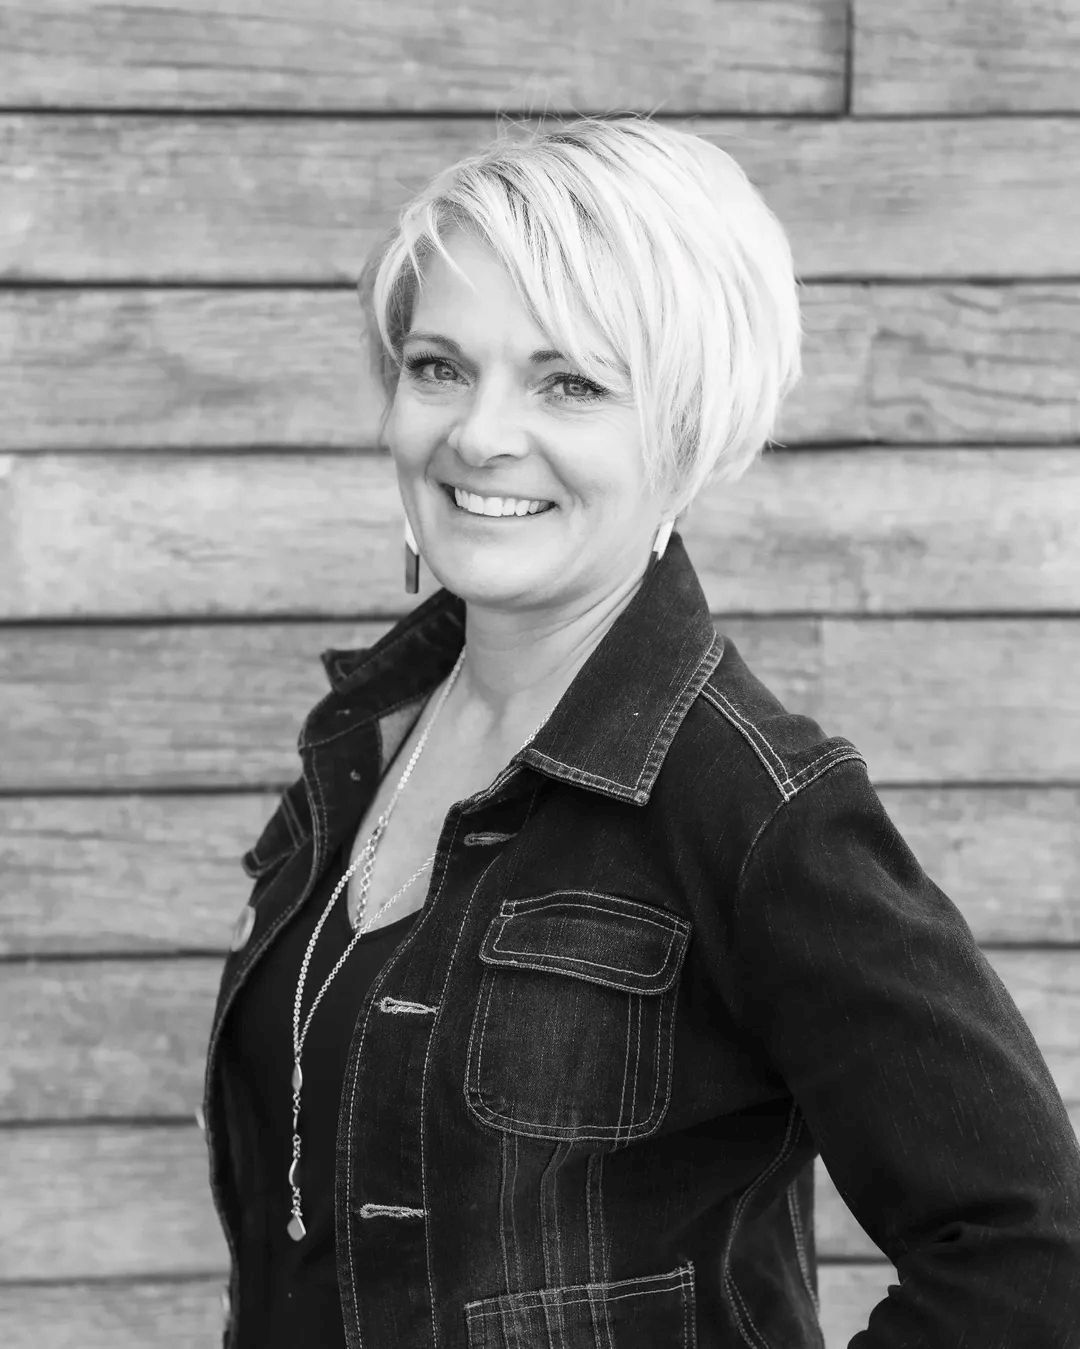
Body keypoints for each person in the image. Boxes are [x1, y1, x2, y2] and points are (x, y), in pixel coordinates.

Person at [201, 115, 1080, 1348]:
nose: (479, 434)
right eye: (440, 367)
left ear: (685, 428)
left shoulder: (754, 801)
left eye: (569, 382)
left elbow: (1033, 1259)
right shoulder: (369, 732)